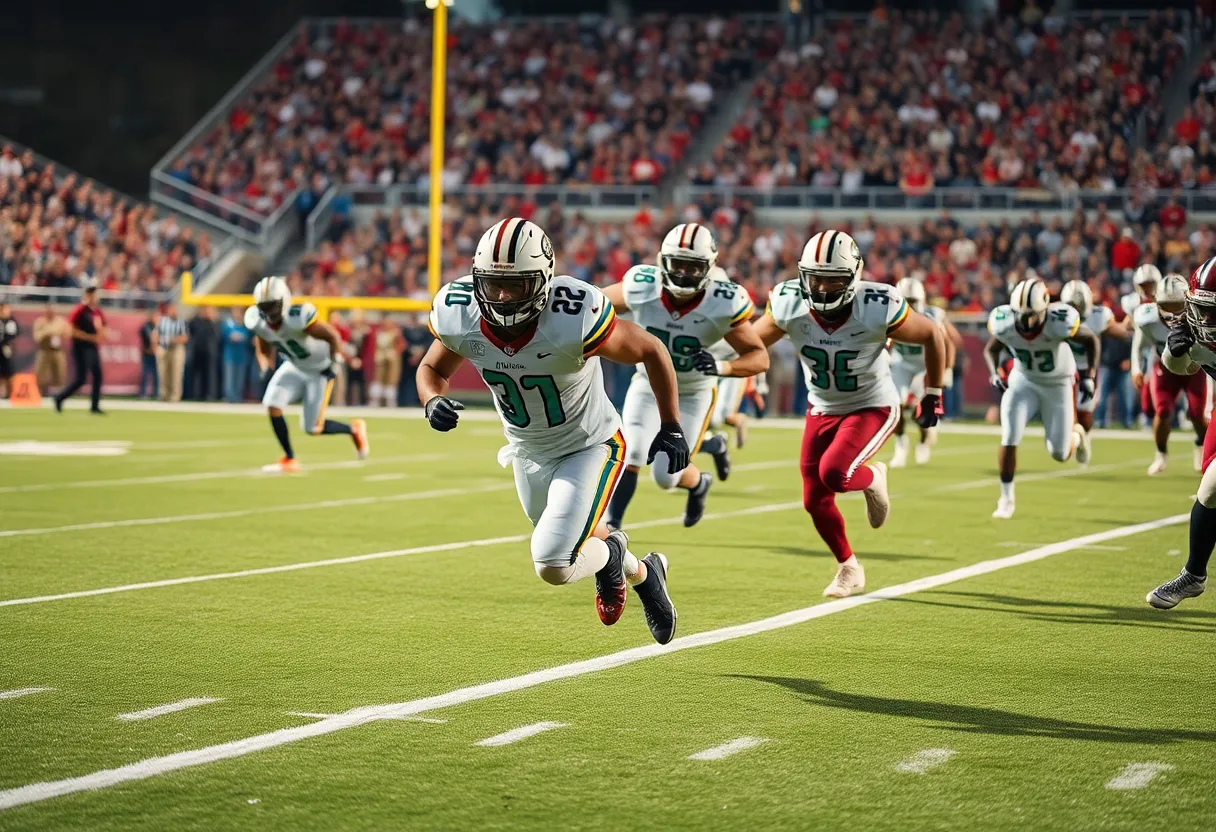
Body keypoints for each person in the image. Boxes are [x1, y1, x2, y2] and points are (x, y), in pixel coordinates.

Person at [418, 217, 684, 645]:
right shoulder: (460, 313)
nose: (502, 297)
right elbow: (432, 367)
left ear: (542, 282)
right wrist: (432, 399)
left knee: (553, 562)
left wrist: (671, 425)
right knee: (579, 534)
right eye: (493, 285)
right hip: (527, 450)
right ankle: (644, 574)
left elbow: (651, 349)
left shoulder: (572, 317)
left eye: (516, 286)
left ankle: (611, 558)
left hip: (590, 445)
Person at [753, 229, 948, 598]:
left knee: (834, 472)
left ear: (854, 278)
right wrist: (720, 360)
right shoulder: (789, 302)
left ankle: (873, 477)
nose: (822, 288)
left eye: (833, 280)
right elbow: (749, 341)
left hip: (871, 404)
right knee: (813, 499)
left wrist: (934, 393)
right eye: (816, 279)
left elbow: (932, 335)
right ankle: (849, 567)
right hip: (821, 405)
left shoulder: (877, 304)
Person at [601, 223, 769, 530]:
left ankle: (698, 482)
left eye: (692, 266)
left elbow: (759, 356)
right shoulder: (642, 286)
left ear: (708, 268)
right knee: (632, 450)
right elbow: (594, 304)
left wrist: (722, 367)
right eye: (677, 263)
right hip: (648, 384)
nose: (682, 273)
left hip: (692, 392)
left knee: (666, 477)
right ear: (662, 261)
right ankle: (614, 527)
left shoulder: (722, 302)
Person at [985, 277, 1100, 519]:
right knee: (1009, 436)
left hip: (1057, 385)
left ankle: (1077, 436)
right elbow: (991, 349)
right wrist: (995, 371)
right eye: (1021, 315)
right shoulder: (1006, 322)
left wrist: (1089, 375)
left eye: (1031, 315)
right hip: (1023, 382)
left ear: (1044, 309)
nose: (1025, 321)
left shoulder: (1059, 322)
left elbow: (1092, 340)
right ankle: (1006, 499)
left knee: (1059, 453)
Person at [1146, 254, 1216, 608]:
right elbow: (1184, 368)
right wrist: (1173, 354)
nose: (1204, 318)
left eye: (1212, 311)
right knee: (1211, 489)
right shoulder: (1194, 326)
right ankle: (1194, 575)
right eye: (1201, 308)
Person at [247, 276, 369, 472]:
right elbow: (263, 348)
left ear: (284, 301)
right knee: (272, 404)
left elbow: (332, 336)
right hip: (294, 366)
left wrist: (334, 363)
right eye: (264, 307)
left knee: (312, 428)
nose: (269, 312)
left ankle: (354, 430)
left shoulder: (297, 318)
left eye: (272, 306)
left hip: (319, 369)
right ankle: (289, 458)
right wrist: (265, 366)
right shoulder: (258, 322)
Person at [1132, 274, 1207, 475]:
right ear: (1156, 301)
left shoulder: (1200, 314)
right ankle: (1161, 453)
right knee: (1163, 410)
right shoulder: (1147, 317)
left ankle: (1200, 445)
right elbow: (1139, 345)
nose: (1173, 312)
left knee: (1197, 414)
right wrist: (1137, 368)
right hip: (1164, 368)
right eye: (1167, 305)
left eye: (1177, 305)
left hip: (1194, 367)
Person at [888, 277, 959, 468]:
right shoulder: (889, 314)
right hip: (901, 363)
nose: (910, 306)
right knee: (894, 405)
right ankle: (901, 443)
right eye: (906, 301)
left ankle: (923, 441)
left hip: (924, 366)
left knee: (920, 408)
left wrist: (947, 369)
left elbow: (948, 344)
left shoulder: (932, 316)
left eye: (913, 301)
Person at [1060, 279, 1127, 459]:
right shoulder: (1057, 316)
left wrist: (1131, 324)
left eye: (1078, 305)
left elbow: (1121, 332)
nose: (1075, 309)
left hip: (1087, 370)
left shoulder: (1098, 316)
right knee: (1066, 413)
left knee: (1085, 414)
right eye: (1071, 305)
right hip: (1063, 369)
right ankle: (1072, 439)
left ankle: (1084, 437)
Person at [54, 285, 107, 414]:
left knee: (97, 374)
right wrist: (90, 337)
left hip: (92, 347)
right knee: (81, 378)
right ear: (88, 296)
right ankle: (60, 397)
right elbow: (71, 330)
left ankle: (94, 405)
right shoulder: (80, 310)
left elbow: (104, 326)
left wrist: (102, 334)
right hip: (81, 347)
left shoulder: (97, 311)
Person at [32, 303, 68, 395]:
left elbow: (66, 333)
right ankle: (39, 393)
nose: (51, 313)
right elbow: (37, 337)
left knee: (59, 373)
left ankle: (59, 395)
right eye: (49, 311)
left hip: (57, 350)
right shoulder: (40, 322)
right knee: (40, 374)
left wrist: (51, 331)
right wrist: (49, 332)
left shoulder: (60, 321)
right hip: (44, 350)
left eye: (52, 311)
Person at [187, 305, 220, 401]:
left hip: (210, 352)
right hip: (197, 352)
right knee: (197, 375)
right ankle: (196, 394)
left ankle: (210, 394)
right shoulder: (195, 321)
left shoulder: (213, 323)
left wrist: (212, 320)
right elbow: (190, 333)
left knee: (210, 374)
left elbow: (217, 336)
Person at [221, 306, 253, 402]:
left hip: (242, 356)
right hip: (230, 356)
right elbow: (227, 336)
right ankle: (230, 397)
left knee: (240, 378)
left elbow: (247, 337)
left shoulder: (245, 325)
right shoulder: (228, 324)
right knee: (229, 378)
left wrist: (238, 337)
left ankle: (238, 397)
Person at [157, 304, 188, 403]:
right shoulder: (162, 321)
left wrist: (175, 340)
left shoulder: (181, 322)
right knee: (163, 372)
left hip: (176, 348)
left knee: (176, 373)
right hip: (163, 347)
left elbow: (185, 337)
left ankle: (175, 396)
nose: (172, 312)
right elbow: (156, 334)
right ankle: (164, 394)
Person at [372, 313, 403, 407]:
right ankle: (375, 400)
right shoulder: (378, 332)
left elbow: (401, 345)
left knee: (391, 378)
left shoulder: (396, 332)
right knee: (378, 377)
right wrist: (376, 353)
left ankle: (390, 400)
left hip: (392, 357)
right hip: (381, 356)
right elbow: (373, 345)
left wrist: (395, 352)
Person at [138, 308, 160, 400]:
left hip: (156, 354)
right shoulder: (146, 327)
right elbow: (150, 339)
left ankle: (157, 393)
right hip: (147, 354)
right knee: (145, 374)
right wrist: (151, 348)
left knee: (157, 375)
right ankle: (143, 393)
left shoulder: (159, 327)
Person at [0, 302, 17, 398]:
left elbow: (13, 333)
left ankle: (10, 394)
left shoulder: (10, 321)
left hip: (5, 348)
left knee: (8, 372)